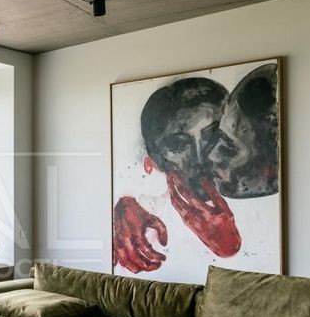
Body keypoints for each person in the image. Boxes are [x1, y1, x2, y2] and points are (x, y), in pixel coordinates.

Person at [113, 64, 278, 274]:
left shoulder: (263, 196)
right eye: (178, 145)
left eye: (212, 136)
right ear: (157, 158)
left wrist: (229, 246)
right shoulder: (150, 211)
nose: (202, 157)